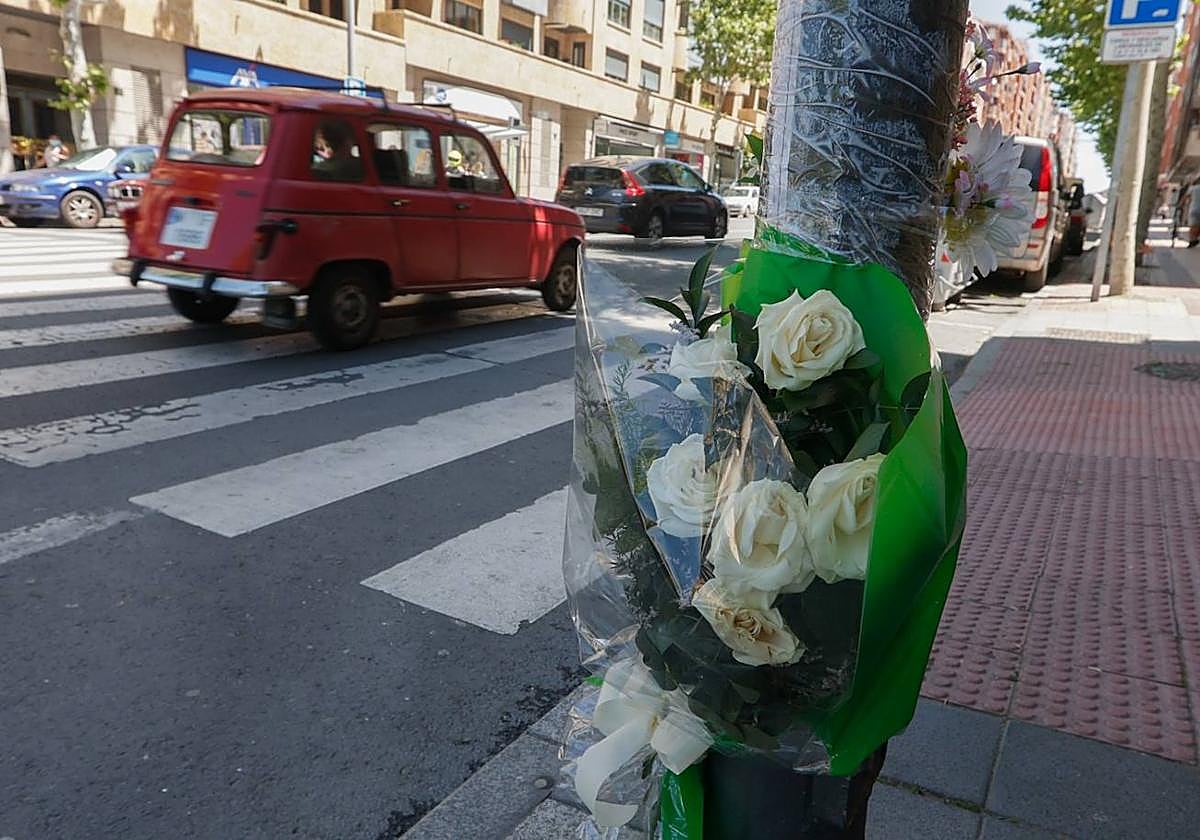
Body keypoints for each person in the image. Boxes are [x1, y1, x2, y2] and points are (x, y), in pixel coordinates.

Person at [1187, 179, 1200, 249]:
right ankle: (1195, 239)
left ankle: (1192, 240)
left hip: (1194, 209)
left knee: (1193, 225)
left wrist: (1180, 204)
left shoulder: (1192, 188)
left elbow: (1186, 197)